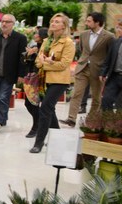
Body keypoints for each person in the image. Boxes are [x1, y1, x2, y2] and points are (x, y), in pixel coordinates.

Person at [30, 13, 76, 153]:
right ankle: (58, 138)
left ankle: (39, 142)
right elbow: (38, 61)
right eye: (52, 21)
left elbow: (63, 64)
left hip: (59, 81)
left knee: (44, 108)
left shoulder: (68, 42)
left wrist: (47, 64)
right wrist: (44, 63)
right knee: (49, 109)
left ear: (64, 26)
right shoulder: (46, 41)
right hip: (44, 80)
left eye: (57, 22)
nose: (53, 23)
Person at [60, 12, 113, 127]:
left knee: (96, 98)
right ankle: (71, 119)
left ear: (97, 22)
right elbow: (83, 50)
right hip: (82, 68)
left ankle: (91, 120)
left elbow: (110, 55)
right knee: (76, 94)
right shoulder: (83, 34)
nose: (86, 23)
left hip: (98, 71)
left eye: (89, 21)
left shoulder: (109, 36)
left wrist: (106, 72)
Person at [0, 13, 27, 131]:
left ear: (13, 24)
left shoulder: (20, 38)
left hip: (9, 74)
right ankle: (3, 118)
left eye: (7, 22)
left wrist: (21, 74)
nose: (4, 24)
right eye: (3, 21)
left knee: (4, 97)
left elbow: (22, 58)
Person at [23, 27, 48, 138]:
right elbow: (26, 59)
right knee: (29, 103)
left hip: (42, 80)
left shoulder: (45, 48)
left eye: (37, 33)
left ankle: (37, 127)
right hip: (31, 79)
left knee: (39, 105)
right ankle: (37, 124)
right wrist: (28, 54)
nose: (35, 35)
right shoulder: (34, 47)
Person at [100, 20, 122, 110]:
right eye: (118, 28)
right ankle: (109, 123)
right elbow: (108, 59)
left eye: (121, 28)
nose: (119, 30)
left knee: (120, 105)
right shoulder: (116, 42)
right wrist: (103, 73)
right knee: (106, 100)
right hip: (114, 76)